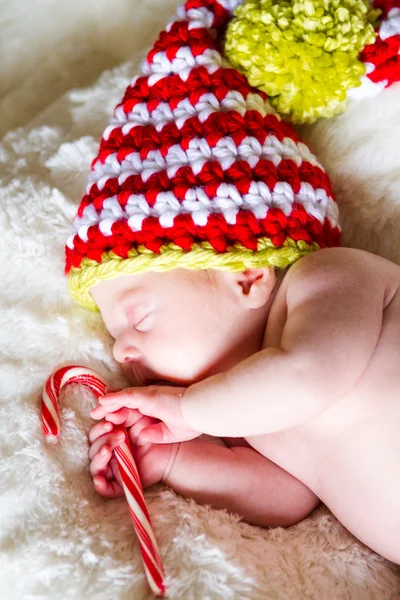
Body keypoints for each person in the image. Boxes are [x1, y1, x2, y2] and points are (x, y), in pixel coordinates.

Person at [64, 0, 399, 564]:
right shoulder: (250, 416)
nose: (120, 347)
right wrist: (173, 462)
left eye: (139, 314)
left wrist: (187, 412)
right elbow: (288, 497)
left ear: (246, 276)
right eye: (118, 330)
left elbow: (309, 376)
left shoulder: (328, 279)